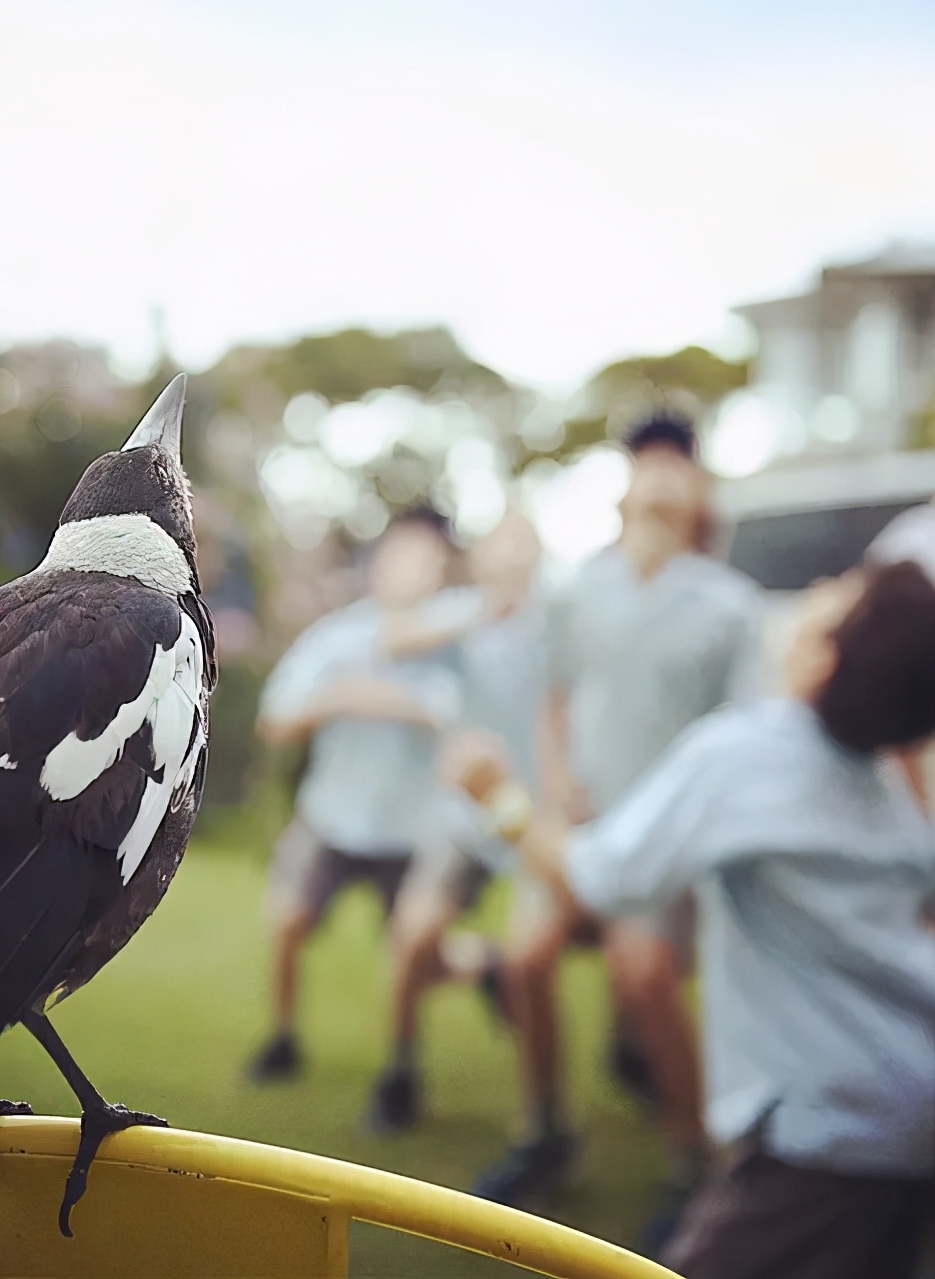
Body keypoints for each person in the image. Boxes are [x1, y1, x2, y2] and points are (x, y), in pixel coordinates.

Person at [490, 557, 935, 1277]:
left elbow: (599, 880)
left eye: (835, 595)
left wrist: (499, 799)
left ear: (826, 657)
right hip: (911, 1105)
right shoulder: (883, 778)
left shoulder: (746, 755)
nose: (816, 586)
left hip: (829, 1132)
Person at [475, 413, 763, 1248]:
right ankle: (546, 1134)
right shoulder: (577, 590)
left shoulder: (729, 604)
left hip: (662, 841)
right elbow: (554, 699)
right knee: (524, 958)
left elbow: (740, 735)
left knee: (642, 972)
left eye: (680, 465)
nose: (663, 479)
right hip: (577, 827)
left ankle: (693, 1157)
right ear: (626, 485)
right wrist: (556, 781)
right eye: (650, 464)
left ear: (700, 489)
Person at [245, 509, 463, 1081]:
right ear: (379, 564)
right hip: (331, 817)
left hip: (414, 829)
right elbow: (276, 719)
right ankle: (283, 1038)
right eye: (404, 557)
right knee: (288, 921)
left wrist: (388, 699)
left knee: (412, 952)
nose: (415, 572)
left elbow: (461, 718)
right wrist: (341, 696)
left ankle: (401, 1067)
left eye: (429, 562)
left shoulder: (457, 642)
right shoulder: (336, 637)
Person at [365, 511, 545, 1132]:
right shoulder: (465, 615)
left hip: (536, 816)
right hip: (466, 814)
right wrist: (480, 612)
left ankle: (540, 1113)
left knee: (532, 958)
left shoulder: (560, 622)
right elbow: (392, 642)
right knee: (413, 936)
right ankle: (399, 1073)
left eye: (524, 550)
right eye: (501, 550)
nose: (512, 562)